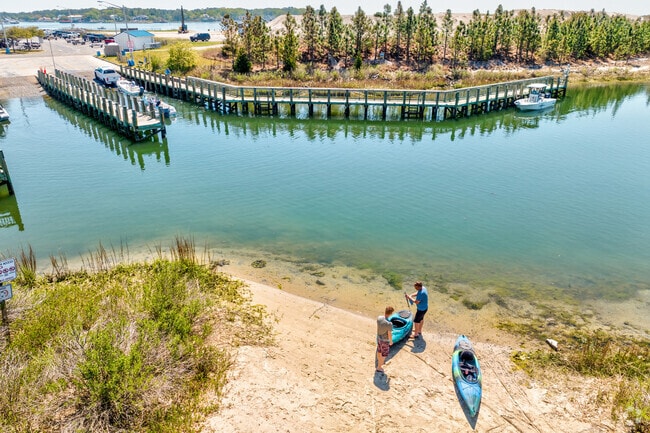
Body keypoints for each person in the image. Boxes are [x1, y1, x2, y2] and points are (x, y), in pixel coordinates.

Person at [376, 306, 394, 373]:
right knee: (385, 354)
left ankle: (379, 362)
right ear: (391, 313)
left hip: (378, 338)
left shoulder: (379, 318)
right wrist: (391, 341)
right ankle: (379, 367)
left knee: (379, 351)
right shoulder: (389, 324)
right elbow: (389, 334)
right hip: (385, 341)